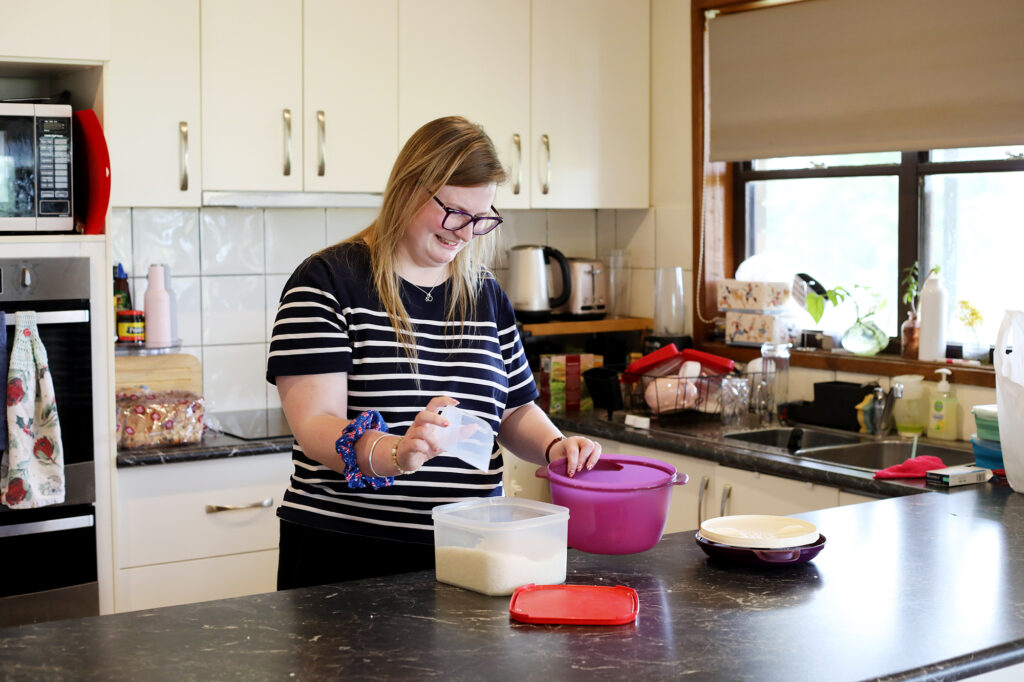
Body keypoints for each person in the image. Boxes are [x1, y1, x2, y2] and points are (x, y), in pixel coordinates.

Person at [267, 115, 602, 590]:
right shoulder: (326, 281)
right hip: (347, 554)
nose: (465, 233)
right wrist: (395, 452)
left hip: (472, 552)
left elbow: (513, 409)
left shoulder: (485, 294)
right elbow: (316, 423)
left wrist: (555, 446)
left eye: (481, 218)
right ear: (408, 187)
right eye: (455, 212)